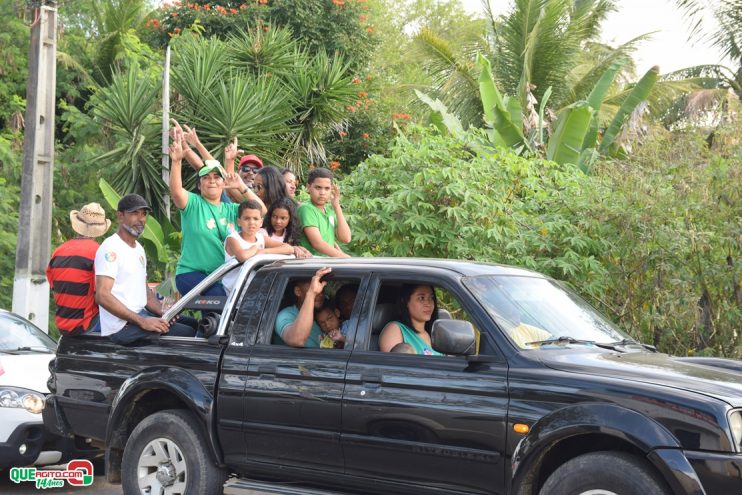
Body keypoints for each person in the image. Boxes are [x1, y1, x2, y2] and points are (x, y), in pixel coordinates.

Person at [169, 125, 264, 297]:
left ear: (223, 183)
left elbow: (261, 210)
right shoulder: (193, 203)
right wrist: (176, 161)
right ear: (200, 185)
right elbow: (176, 192)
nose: (211, 181)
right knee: (220, 300)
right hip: (191, 274)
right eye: (206, 178)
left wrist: (240, 185)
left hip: (222, 276)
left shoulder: (233, 210)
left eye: (216, 177)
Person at [94, 194, 197, 345]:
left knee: (193, 323)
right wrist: (143, 321)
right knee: (187, 333)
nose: (141, 219)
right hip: (121, 327)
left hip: (139, 315)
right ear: (120, 216)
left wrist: (162, 312)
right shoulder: (110, 248)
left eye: (143, 214)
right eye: (135, 213)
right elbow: (102, 296)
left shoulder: (139, 249)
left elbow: (144, 291)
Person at [46, 202, 111, 335]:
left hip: (62, 326)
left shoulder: (58, 252)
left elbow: (55, 291)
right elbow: (101, 297)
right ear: (100, 230)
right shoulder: (98, 253)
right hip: (86, 325)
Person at [221, 200, 302, 293]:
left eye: (255, 219)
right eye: (247, 218)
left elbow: (288, 248)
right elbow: (243, 257)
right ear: (239, 221)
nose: (251, 222)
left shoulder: (261, 238)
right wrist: (255, 248)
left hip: (254, 292)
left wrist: (262, 252)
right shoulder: (233, 238)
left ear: (261, 222)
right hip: (233, 294)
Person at [297, 168, 351, 257]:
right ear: (308, 187)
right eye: (318, 187)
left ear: (332, 190)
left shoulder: (329, 211)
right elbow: (318, 244)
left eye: (327, 188)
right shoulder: (306, 209)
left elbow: (346, 238)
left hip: (328, 264)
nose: (322, 192)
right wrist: (346, 258)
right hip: (312, 264)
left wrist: (337, 206)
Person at [273, 267, 331, 348]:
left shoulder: (320, 315)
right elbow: (296, 340)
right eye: (313, 286)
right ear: (298, 291)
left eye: (320, 286)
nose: (320, 292)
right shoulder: (285, 315)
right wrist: (311, 294)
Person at [379, 284, 444, 356]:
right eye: (421, 298)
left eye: (431, 297)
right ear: (405, 301)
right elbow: (395, 364)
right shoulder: (395, 329)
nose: (428, 303)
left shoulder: (433, 333)